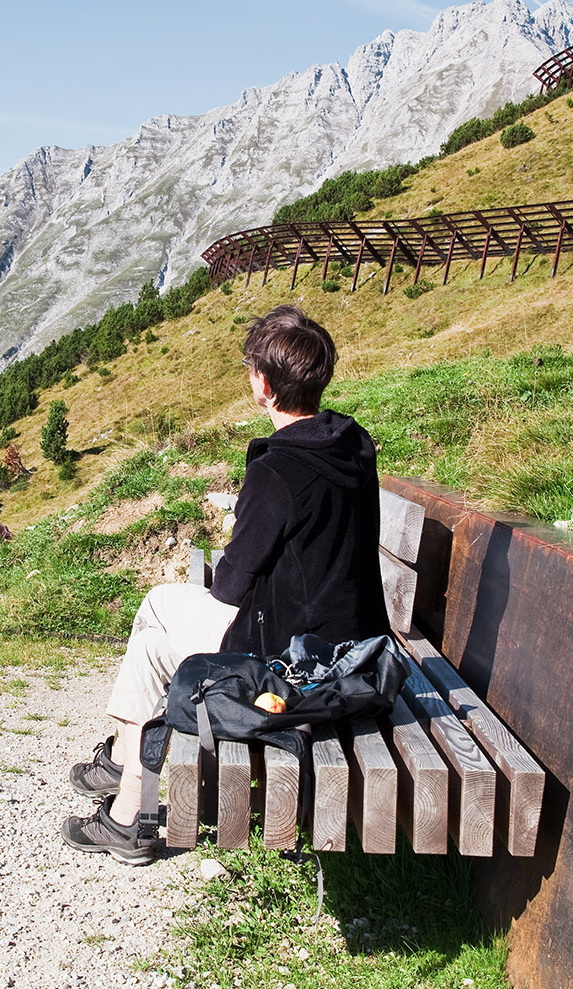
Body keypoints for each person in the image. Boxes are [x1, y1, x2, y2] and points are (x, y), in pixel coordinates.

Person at [62, 304, 387, 864]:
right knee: (158, 609)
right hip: (350, 641)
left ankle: (129, 807)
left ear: (263, 383)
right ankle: (121, 758)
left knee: (153, 641)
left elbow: (231, 585)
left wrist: (242, 527)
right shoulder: (349, 443)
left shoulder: (279, 466)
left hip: (293, 658)